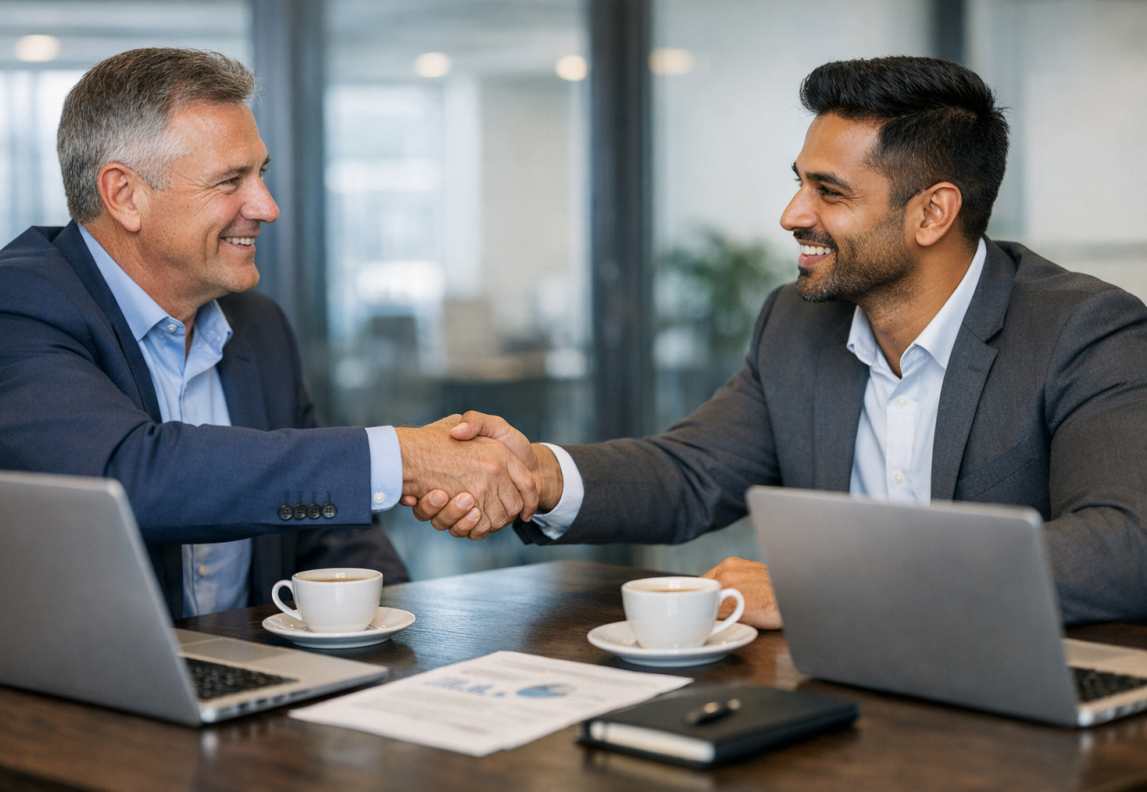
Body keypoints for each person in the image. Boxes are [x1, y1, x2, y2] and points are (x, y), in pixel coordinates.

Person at [412, 56, 1147, 627]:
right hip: (830, 684)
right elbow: (692, 472)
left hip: (1018, 701)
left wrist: (822, 589)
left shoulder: (1085, 331)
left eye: (830, 192)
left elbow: (1124, 548)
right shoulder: (796, 324)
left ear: (933, 213)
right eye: (800, 183)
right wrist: (538, 475)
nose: (792, 214)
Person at [0, 48, 539, 619]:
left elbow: (331, 536)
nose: (267, 206)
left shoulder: (259, 326)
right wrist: (402, 458)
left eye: (261, 174)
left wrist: (398, 643)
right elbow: (129, 477)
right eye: (231, 181)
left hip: (253, 670)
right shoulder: (3, 311)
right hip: (76, 684)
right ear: (124, 195)